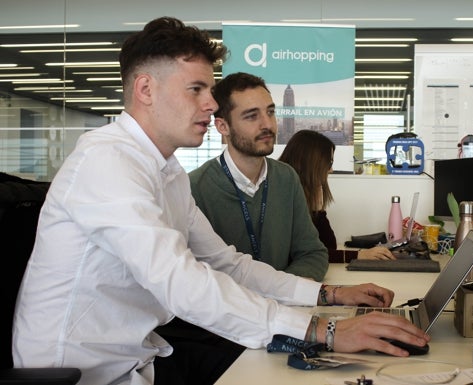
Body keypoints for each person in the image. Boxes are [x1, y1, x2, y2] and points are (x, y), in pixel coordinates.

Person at [11, 17, 430, 385]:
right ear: (145, 89)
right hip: (85, 374)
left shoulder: (166, 172)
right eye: (196, 89)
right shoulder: (105, 162)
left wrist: (329, 297)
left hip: (140, 357)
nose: (211, 104)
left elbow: (228, 265)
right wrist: (325, 331)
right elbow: (180, 280)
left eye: (209, 90)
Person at [188, 72, 328, 281]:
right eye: (252, 116)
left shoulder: (286, 178)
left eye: (270, 112)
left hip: (282, 309)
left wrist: (281, 294)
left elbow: (312, 253)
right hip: (227, 311)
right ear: (222, 126)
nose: (267, 124)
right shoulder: (195, 187)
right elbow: (192, 276)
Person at [279, 130, 396, 263]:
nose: (331, 170)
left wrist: (318, 210)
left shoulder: (297, 194)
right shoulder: (281, 199)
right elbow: (308, 254)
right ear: (312, 164)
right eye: (329, 163)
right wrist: (358, 255)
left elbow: (327, 246)